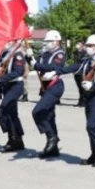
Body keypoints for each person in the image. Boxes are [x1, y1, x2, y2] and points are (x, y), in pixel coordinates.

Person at [60, 34, 95, 167]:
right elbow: (73, 67)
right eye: (87, 45)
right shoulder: (86, 62)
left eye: (91, 46)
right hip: (89, 97)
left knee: (91, 125)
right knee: (90, 127)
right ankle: (94, 153)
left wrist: (93, 85)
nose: (88, 48)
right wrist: (57, 71)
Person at [27, 30, 66, 158]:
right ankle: (53, 149)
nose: (47, 43)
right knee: (49, 116)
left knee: (37, 111)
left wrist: (36, 64)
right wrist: (29, 57)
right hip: (44, 87)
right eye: (46, 41)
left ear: (56, 41)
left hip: (55, 86)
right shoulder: (45, 54)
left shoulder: (59, 54)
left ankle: (52, 137)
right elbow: (36, 65)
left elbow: (52, 67)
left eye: (49, 41)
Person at [0, 40, 27, 152]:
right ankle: (18, 141)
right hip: (7, 87)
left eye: (8, 40)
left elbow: (17, 72)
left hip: (16, 86)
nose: (5, 42)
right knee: (12, 114)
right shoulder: (4, 54)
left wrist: (1, 79)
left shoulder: (18, 54)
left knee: (2, 112)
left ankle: (13, 139)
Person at [74, 42, 87, 107]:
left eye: (79, 44)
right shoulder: (77, 52)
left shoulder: (84, 53)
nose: (77, 45)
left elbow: (82, 62)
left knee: (83, 88)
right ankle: (80, 101)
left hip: (81, 72)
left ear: (82, 45)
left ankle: (84, 101)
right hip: (76, 72)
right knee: (79, 88)